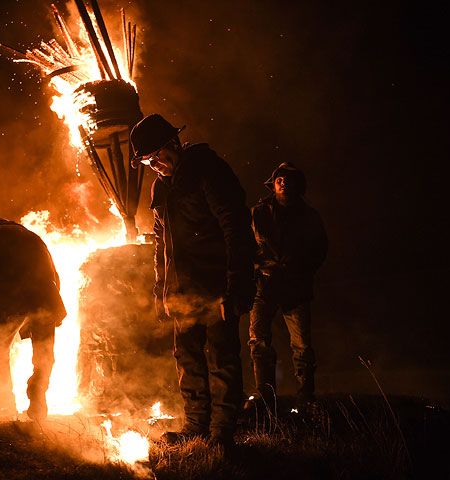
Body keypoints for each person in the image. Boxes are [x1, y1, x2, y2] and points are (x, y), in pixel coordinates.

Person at [130, 114, 256, 449]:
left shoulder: (208, 171)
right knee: (187, 358)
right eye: (147, 161)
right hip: (182, 291)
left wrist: (237, 282)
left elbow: (235, 226)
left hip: (216, 286)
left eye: (157, 156)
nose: (154, 165)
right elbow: (161, 244)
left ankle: (222, 431)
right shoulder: (161, 187)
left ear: (173, 144)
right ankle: (197, 425)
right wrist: (161, 290)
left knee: (222, 357)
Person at [245, 162, 327, 413]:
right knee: (259, 341)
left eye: (288, 178)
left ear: (297, 185)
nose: (283, 182)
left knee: (301, 345)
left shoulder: (309, 216)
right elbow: (244, 244)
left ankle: (305, 398)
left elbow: (320, 249)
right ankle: (266, 399)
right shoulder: (258, 213)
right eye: (279, 178)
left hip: (296, 285)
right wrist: (257, 268)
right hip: (265, 283)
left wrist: (301, 270)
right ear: (274, 184)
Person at [0, 218, 66, 420]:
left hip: (9, 299)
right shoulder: (34, 237)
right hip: (45, 298)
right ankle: (38, 396)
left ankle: (4, 403)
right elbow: (55, 275)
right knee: (44, 352)